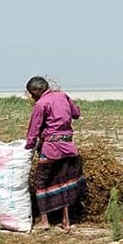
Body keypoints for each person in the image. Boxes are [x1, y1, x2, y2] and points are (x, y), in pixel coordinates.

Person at [25, 76, 87, 231]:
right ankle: (66, 221)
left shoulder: (41, 104)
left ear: (37, 90)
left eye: (32, 93)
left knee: (40, 183)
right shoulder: (63, 96)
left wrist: (29, 147)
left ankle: (45, 220)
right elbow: (76, 113)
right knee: (63, 182)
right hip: (69, 147)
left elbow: (34, 129)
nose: (32, 97)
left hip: (51, 149)